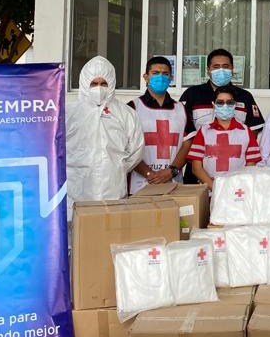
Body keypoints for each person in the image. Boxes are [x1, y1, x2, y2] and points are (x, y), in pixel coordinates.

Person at [65, 55, 144, 216]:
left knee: (111, 226)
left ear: (112, 83)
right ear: (84, 83)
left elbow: (136, 150)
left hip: (113, 188)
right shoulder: (68, 113)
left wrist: (117, 167)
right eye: (94, 83)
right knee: (77, 228)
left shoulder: (126, 113)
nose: (99, 88)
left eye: (104, 84)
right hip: (77, 188)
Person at [180, 48, 265, 182]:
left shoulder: (245, 96)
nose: (221, 70)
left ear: (232, 68)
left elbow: (252, 132)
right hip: (197, 168)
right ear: (208, 70)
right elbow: (184, 133)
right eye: (216, 67)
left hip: (236, 171)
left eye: (225, 66)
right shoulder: (192, 94)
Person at [128, 55, 191, 194]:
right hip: (140, 184)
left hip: (174, 183)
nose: (161, 77)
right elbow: (126, 145)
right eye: (155, 73)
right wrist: (149, 174)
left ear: (171, 78)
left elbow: (188, 143)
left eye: (165, 74)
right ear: (146, 77)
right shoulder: (132, 107)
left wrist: (171, 171)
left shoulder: (181, 108)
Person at [186, 85, 261, 189]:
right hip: (211, 191)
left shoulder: (246, 131)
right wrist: (216, 188)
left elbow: (251, 167)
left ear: (235, 105)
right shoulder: (204, 131)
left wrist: (235, 188)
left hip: (237, 191)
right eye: (220, 102)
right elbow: (196, 168)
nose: (225, 106)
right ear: (213, 105)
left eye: (229, 102)